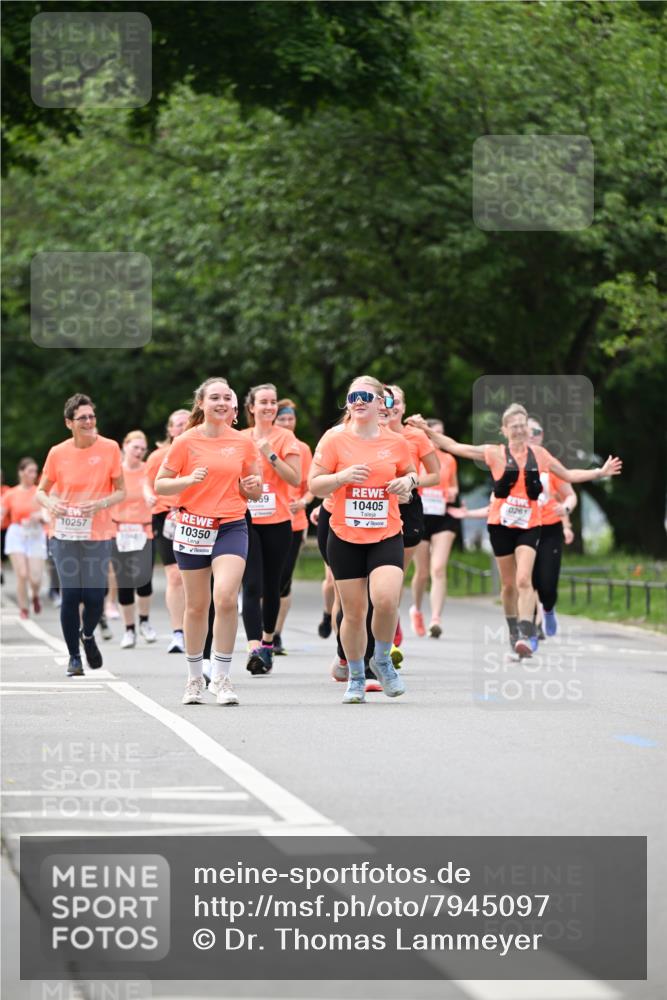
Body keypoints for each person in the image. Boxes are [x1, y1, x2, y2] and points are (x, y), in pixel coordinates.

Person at [408, 403, 622, 657]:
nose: (520, 430)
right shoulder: (494, 453)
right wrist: (426, 430)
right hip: (500, 526)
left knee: (524, 580)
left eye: (523, 425)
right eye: (514, 426)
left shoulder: (540, 455)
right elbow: (455, 446)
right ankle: (513, 630)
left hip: (529, 525)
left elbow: (568, 475)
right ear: (504, 430)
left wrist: (600, 472)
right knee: (509, 585)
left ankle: (525, 632)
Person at [309, 375, 416, 703]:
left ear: (381, 402)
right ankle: (356, 676)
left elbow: (410, 473)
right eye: (353, 396)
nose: (358, 401)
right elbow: (314, 484)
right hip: (345, 535)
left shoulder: (396, 442)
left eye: (366, 396)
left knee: (386, 600)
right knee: (353, 613)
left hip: (386, 532)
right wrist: (341, 477)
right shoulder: (334, 439)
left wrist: (407, 483)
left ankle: (381, 660)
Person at [155, 378, 262, 706]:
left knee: (226, 597)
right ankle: (193, 678)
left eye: (227, 398)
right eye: (214, 397)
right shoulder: (185, 441)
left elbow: (255, 490)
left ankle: (221, 676)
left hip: (231, 525)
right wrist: (188, 480)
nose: (221, 403)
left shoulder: (243, 442)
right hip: (193, 526)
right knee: (197, 605)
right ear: (201, 403)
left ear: (233, 405)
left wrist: (251, 488)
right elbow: (161, 484)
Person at [36, 394, 125, 676]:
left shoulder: (110, 448)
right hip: (63, 533)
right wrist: (51, 504)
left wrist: (100, 503)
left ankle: (87, 635)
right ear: (69, 423)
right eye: (82, 418)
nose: (88, 422)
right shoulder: (57, 452)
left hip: (98, 532)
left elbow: (121, 491)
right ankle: (74, 657)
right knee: (71, 594)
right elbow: (41, 491)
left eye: (91, 416)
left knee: (95, 596)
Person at [240, 384, 301, 676]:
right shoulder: (239, 438)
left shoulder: (286, 437)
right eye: (263, 402)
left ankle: (267, 642)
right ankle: (254, 649)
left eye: (273, 402)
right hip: (246, 519)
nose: (269, 407)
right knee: (251, 585)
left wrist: (270, 454)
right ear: (251, 407)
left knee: (272, 586)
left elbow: (295, 478)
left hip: (277, 521)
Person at [383, 385, 440, 645]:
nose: (392, 406)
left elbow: (435, 475)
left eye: (397, 401)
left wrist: (409, 483)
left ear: (404, 407)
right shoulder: (367, 433)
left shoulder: (415, 437)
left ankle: (390, 620)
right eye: (387, 401)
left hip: (407, 506)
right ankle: (380, 624)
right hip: (376, 505)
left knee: (396, 574)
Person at [410, 418, 460, 638]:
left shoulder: (449, 459)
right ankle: (417, 609)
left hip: (443, 517)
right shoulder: (416, 455)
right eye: (433, 432)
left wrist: (450, 493)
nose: (438, 437)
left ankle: (436, 619)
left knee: (438, 568)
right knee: (422, 572)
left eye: (441, 432)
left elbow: (454, 487)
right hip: (420, 516)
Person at [528, 417, 577, 638]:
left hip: (549, 528)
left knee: (546, 584)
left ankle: (548, 609)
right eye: (527, 431)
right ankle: (530, 628)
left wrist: (565, 510)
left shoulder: (549, 463)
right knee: (526, 581)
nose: (532, 436)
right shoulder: (511, 462)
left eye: (536, 431)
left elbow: (569, 495)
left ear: (542, 436)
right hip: (523, 528)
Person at [145, 408, 190, 652]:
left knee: (194, 576)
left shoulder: (201, 451)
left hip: (194, 516)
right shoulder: (158, 456)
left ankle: (197, 627)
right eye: (178, 424)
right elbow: (146, 482)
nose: (182, 427)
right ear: (170, 430)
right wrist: (147, 495)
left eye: (186, 422)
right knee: (174, 575)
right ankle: (178, 633)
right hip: (166, 516)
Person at [272, 398, 313, 655]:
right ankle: (261, 631)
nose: (287, 423)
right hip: (266, 519)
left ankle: (275, 634)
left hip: (294, 522)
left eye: (290, 419)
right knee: (264, 580)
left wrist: (304, 502)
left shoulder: (303, 449)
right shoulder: (262, 445)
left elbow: (311, 486)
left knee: (283, 580)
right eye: (282, 419)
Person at [112, 431, 157, 649]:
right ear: (125, 446)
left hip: (144, 531)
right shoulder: (115, 472)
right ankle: (129, 629)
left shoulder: (148, 470)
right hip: (119, 531)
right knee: (124, 582)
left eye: (142, 449)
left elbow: (157, 493)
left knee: (143, 579)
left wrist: (152, 499)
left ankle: (144, 622)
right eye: (135, 447)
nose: (139, 452)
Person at [1, 457, 48, 618]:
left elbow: (48, 514)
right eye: (30, 471)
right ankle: (24, 608)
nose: (33, 474)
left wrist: (40, 516)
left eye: (35, 471)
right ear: (21, 473)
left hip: (35, 534)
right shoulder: (11, 493)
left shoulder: (40, 492)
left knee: (35, 578)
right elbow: (1, 513)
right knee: (22, 574)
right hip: (17, 534)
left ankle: (35, 595)